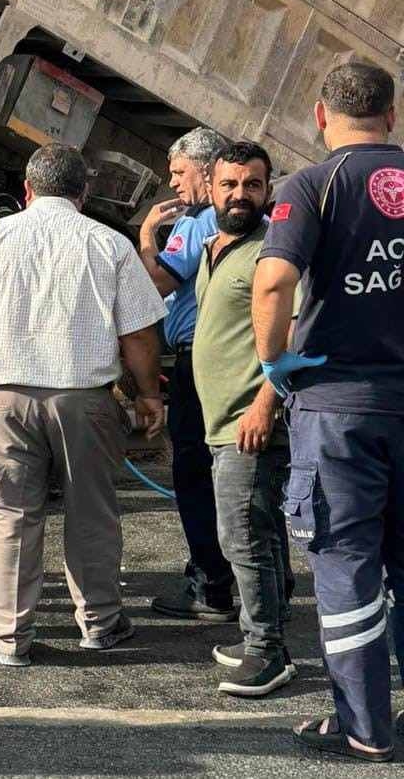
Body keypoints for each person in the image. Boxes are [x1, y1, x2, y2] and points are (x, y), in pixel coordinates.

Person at [0, 143, 167, 667]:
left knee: (9, 516)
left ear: (27, 191)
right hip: (83, 399)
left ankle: (10, 638)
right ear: (82, 195)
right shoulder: (109, 244)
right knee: (92, 512)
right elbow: (140, 333)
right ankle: (100, 624)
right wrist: (149, 394)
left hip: (0, 397)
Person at [253, 61, 404, 762]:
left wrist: (275, 363)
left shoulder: (313, 186)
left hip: (339, 410)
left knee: (346, 568)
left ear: (321, 116)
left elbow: (274, 280)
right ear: (392, 118)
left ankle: (366, 730)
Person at [192, 141, 296, 697]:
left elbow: (291, 338)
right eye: (230, 184)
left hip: (248, 422)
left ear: (267, 190)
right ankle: (267, 632)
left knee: (243, 539)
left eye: (251, 185)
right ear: (210, 187)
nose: (240, 195)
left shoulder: (269, 252)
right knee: (262, 532)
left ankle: (267, 650)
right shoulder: (218, 246)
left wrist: (264, 404)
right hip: (222, 423)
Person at [138, 127, 237, 622]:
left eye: (178, 172)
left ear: (205, 169)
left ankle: (210, 587)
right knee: (239, 475)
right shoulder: (238, 220)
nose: (173, 182)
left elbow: (154, 284)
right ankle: (262, 582)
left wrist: (144, 237)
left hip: (196, 359)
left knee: (194, 475)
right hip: (228, 356)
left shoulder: (195, 222)